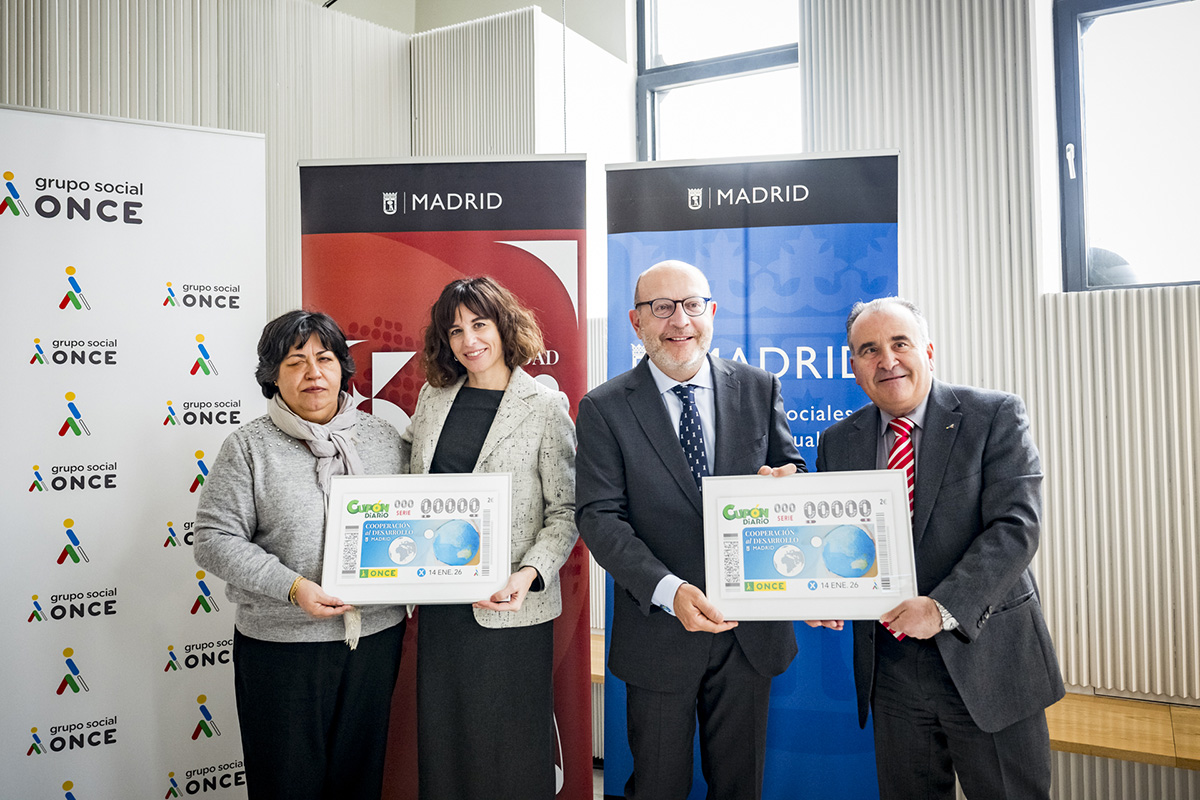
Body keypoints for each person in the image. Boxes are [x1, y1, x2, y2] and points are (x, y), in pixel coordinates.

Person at [811, 297, 1065, 800]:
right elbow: (838, 538)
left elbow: (1016, 526)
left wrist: (943, 608)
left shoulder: (993, 414)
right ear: (854, 366)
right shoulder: (838, 441)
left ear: (928, 350)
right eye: (869, 350)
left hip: (986, 655)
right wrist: (823, 591)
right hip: (893, 666)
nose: (887, 360)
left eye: (899, 343)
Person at [576, 260, 805, 800]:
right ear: (636, 322)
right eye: (661, 308)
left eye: (691, 305)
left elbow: (794, 471)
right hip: (658, 631)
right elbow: (599, 517)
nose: (679, 320)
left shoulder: (759, 387)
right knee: (657, 786)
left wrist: (786, 482)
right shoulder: (604, 408)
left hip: (749, 632)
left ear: (711, 313)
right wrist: (669, 590)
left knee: (739, 785)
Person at [193, 310, 407, 800]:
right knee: (286, 785)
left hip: (374, 639)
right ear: (272, 376)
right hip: (281, 648)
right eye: (296, 362)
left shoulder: (382, 438)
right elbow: (213, 538)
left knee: (359, 779)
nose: (314, 373)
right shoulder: (248, 447)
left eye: (325, 358)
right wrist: (293, 587)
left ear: (343, 368)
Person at [402, 276, 577, 800]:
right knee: (446, 742)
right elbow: (406, 489)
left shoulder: (546, 407)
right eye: (455, 330)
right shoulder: (433, 399)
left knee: (510, 751)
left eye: (479, 324)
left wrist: (528, 575)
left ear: (504, 326)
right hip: (442, 603)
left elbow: (566, 511)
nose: (468, 340)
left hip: (510, 605)